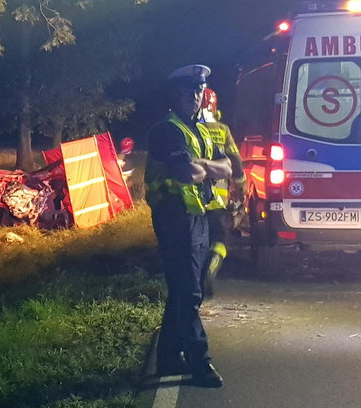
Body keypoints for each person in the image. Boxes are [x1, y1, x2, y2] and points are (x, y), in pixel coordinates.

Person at [144, 64, 232, 387]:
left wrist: (205, 166)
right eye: (188, 92)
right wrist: (209, 168)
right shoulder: (166, 131)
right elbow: (186, 174)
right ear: (174, 96)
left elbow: (226, 167)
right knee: (189, 292)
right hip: (173, 218)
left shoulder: (202, 131)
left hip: (198, 217)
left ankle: (168, 358)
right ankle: (200, 362)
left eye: (199, 91)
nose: (195, 97)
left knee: (184, 290)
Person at [200, 88, 246, 298]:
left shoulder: (188, 129)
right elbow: (235, 161)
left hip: (190, 200)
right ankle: (209, 271)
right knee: (219, 241)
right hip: (217, 201)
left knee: (194, 241)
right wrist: (241, 186)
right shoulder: (222, 129)